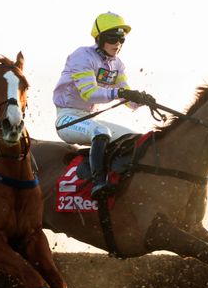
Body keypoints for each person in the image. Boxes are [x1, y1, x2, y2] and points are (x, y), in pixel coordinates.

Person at [52, 11, 154, 199]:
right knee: (101, 132)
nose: (117, 44)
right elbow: (90, 94)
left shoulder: (117, 65)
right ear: (99, 38)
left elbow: (128, 101)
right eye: (112, 39)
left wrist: (140, 99)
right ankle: (98, 184)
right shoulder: (82, 56)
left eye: (121, 39)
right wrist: (119, 93)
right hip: (67, 118)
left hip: (90, 119)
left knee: (133, 138)